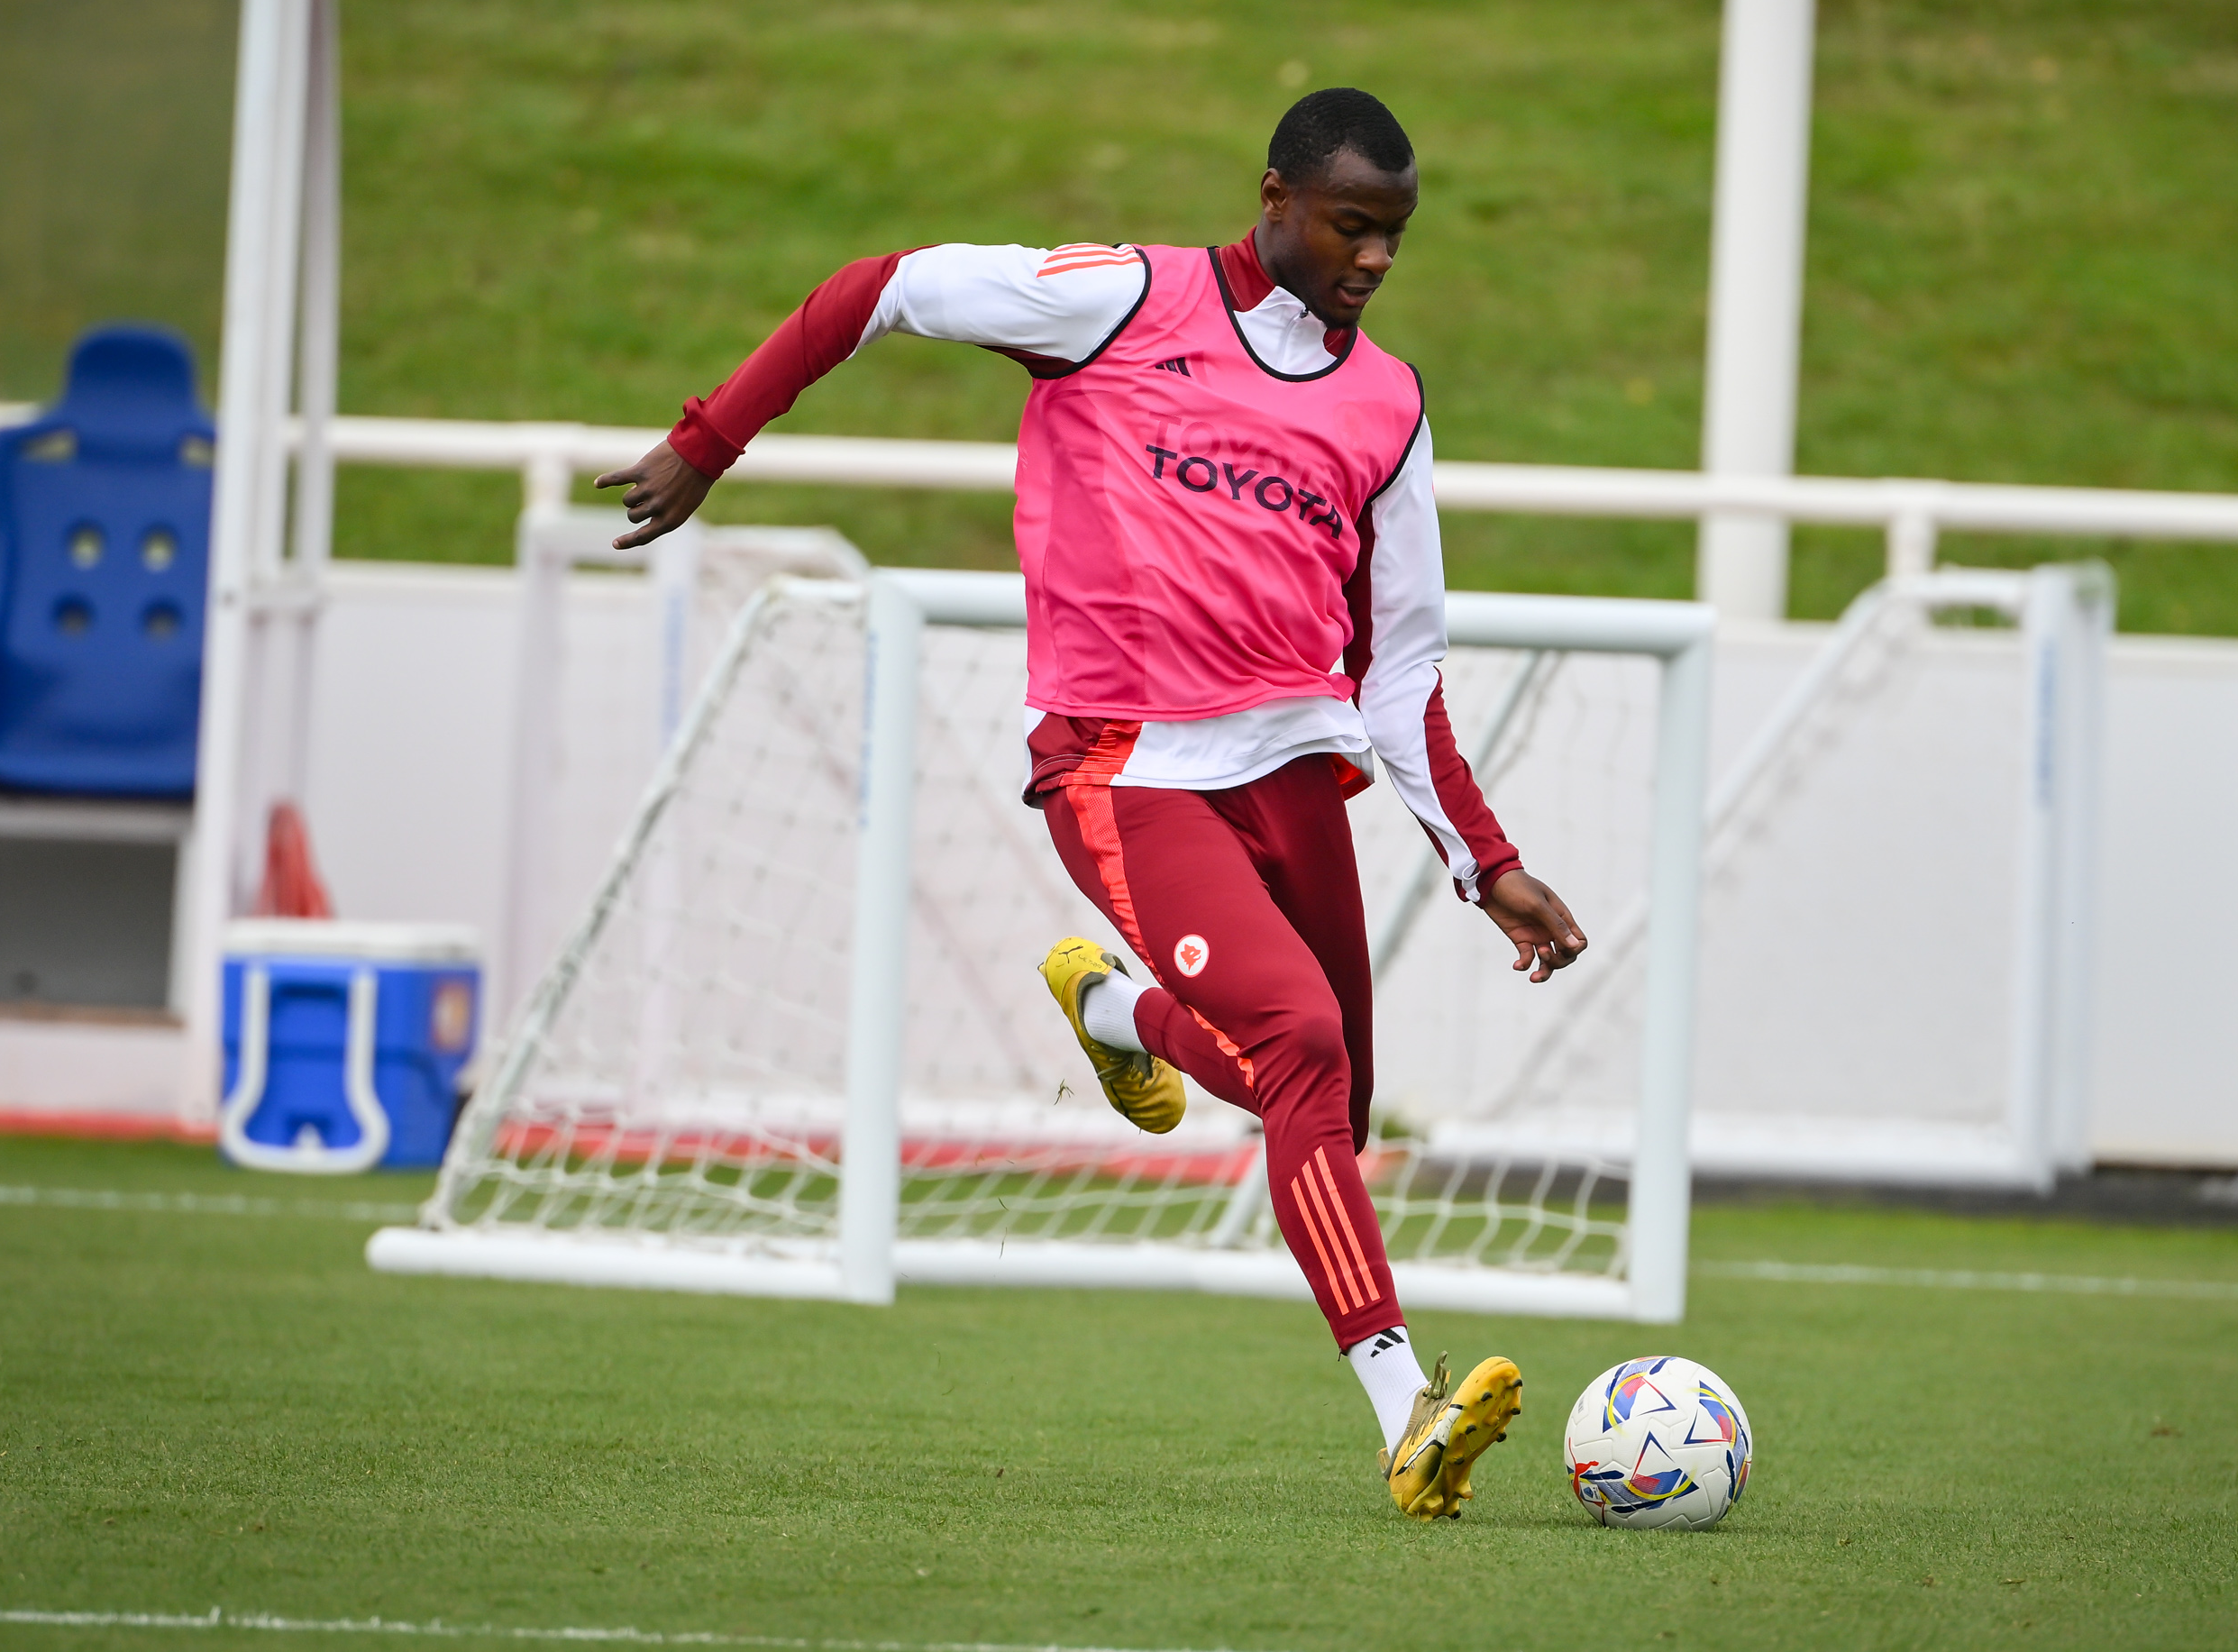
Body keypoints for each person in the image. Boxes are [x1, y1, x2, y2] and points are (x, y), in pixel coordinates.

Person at [600, 87, 1586, 1520]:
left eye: (1395, 236)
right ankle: (1408, 1412)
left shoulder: (1391, 404)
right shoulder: (1122, 302)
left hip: (1295, 768)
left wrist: (1484, 863)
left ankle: (1119, 1014)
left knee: (1328, 1101)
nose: (1376, 258)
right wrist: (712, 435)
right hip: (1127, 769)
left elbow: (1402, 671)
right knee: (1301, 1045)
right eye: (1352, 226)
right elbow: (882, 291)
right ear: (1275, 196)